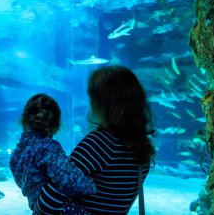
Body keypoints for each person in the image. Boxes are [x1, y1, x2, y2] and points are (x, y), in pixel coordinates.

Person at [34, 65, 156, 215]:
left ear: (103, 103)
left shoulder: (100, 142)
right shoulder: (142, 150)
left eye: (92, 97)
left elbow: (52, 195)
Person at [10, 93, 97, 212]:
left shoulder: (15, 154)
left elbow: (22, 183)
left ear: (24, 120)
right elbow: (70, 182)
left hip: (37, 208)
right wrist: (90, 185)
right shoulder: (48, 147)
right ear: (56, 125)